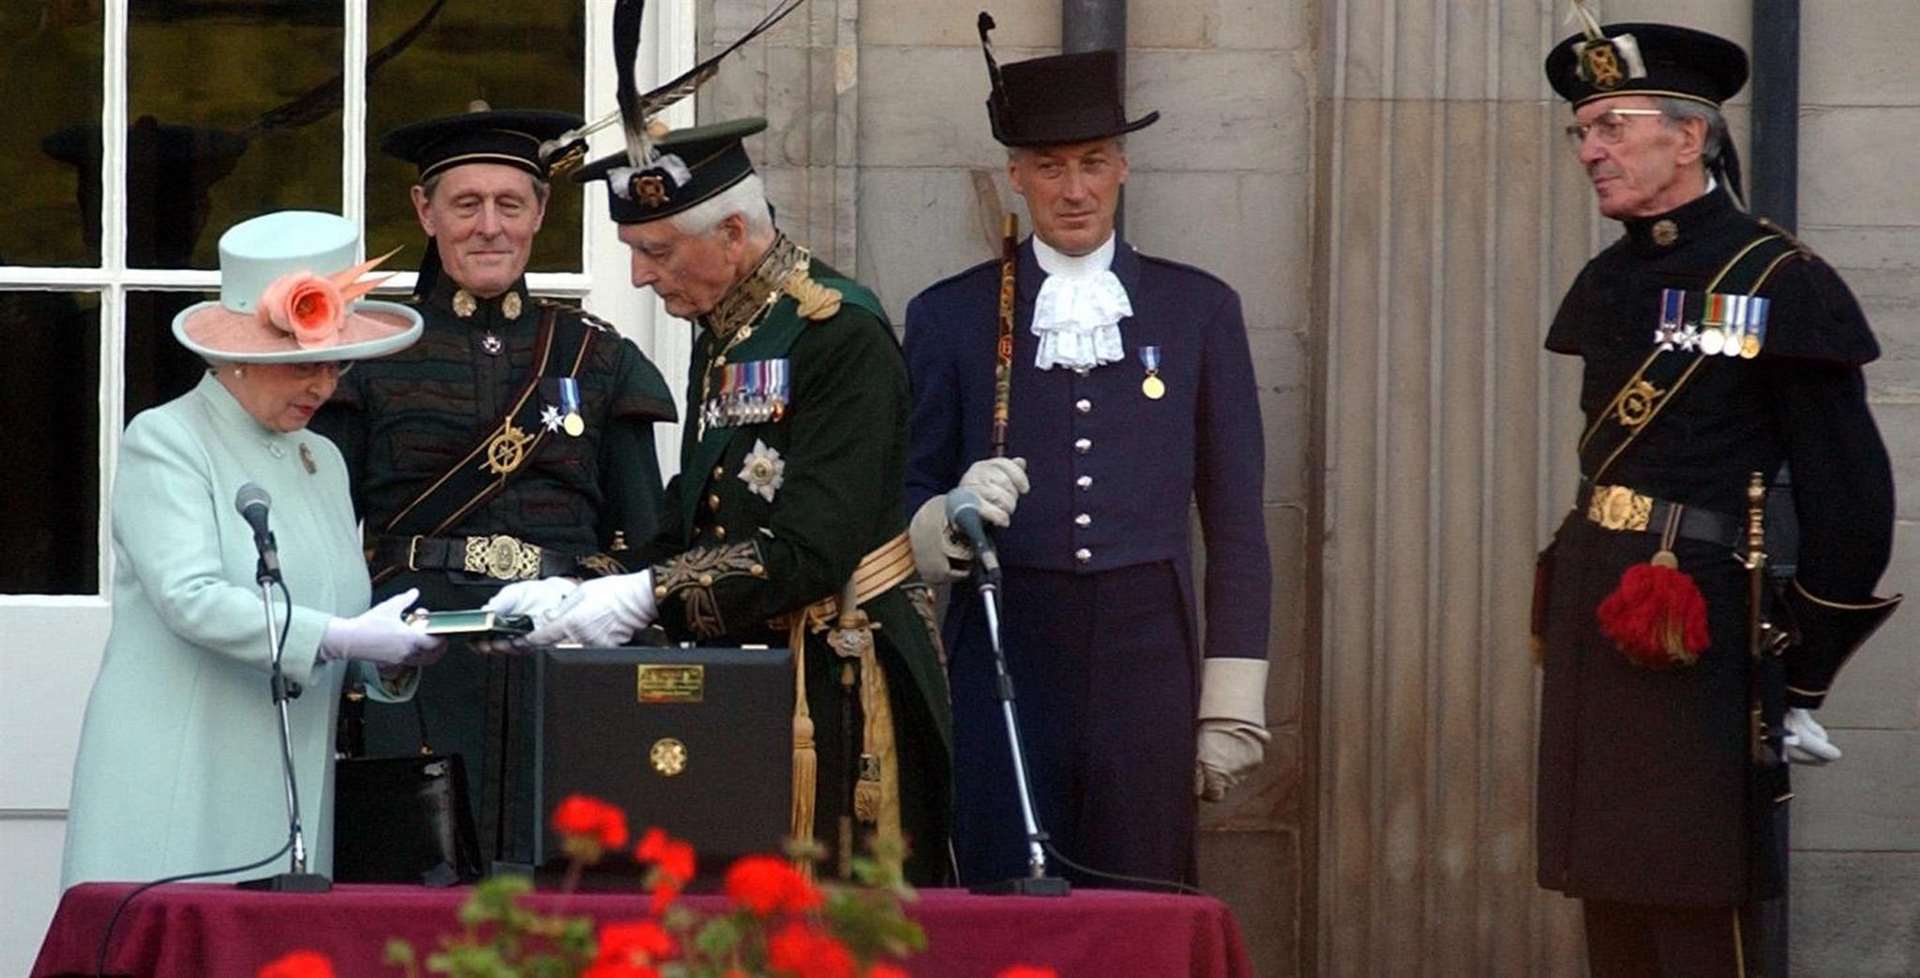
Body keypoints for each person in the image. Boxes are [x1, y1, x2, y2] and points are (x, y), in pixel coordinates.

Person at [487, 118, 953, 884]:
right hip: (758, 669)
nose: (639, 276)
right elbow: (698, 506)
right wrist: (582, 587)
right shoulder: (727, 324)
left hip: (839, 677)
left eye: (656, 252)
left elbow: (810, 548)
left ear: (732, 233)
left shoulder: (838, 334)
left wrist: (645, 594)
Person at [1536, 18, 1900, 976]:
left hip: (1700, 623)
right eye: (1582, 132)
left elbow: (1852, 503)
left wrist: (1802, 675)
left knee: (1695, 907)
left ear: (1688, 137)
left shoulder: (1781, 282)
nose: (1592, 152)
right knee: (1608, 893)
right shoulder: (1611, 279)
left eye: (1613, 126)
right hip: (1601, 603)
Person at [900, 21, 1272, 889]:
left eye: (1094, 162)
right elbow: (907, 486)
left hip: (1150, 649)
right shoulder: (950, 316)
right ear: (1017, 177)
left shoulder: (1198, 310)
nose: (1076, 189)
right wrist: (946, 515)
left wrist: (1230, 704)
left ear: (1124, 168)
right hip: (1005, 644)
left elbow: (1238, 525)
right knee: (1001, 888)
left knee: (1143, 894)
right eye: (1053, 167)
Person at [310, 104, 677, 865]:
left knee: (568, 891)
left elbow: (648, 543)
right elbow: (318, 532)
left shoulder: (598, 360)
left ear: (540, 211)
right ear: (425, 211)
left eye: (510, 204)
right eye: (465, 204)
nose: (489, 227)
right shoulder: (367, 358)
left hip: (563, 654)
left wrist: (584, 596)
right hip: (414, 661)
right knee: (414, 894)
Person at [62, 211, 445, 887]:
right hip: (183, 770)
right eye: (301, 365)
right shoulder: (169, 438)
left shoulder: (321, 457)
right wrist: (346, 637)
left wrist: (390, 657)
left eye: (334, 364)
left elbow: (333, 609)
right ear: (237, 355)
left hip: (288, 781)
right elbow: (192, 599)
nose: (323, 386)